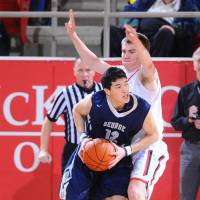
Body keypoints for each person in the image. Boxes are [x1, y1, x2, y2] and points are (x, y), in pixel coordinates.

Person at [65, 9, 169, 200]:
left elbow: (149, 66)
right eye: (123, 51)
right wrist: (73, 36)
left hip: (148, 145)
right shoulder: (118, 73)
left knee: (135, 192)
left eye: (132, 51)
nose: (126, 55)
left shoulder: (146, 78)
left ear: (142, 52)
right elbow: (93, 61)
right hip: (123, 147)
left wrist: (138, 41)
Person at [60, 67, 159, 200]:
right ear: (107, 91)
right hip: (89, 153)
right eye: (118, 86)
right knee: (71, 197)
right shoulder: (96, 100)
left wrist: (126, 151)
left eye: (126, 84)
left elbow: (154, 135)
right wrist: (83, 137)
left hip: (117, 157)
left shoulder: (141, 107)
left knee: (118, 198)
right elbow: (77, 110)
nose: (125, 90)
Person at [38, 58, 102, 173]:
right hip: (74, 149)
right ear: (74, 71)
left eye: (88, 70)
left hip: (100, 149)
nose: (84, 74)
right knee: (69, 189)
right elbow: (49, 120)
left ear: (94, 71)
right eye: (80, 70)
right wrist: (43, 149)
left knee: (100, 189)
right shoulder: (65, 94)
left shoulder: (103, 91)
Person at [104, 0, 197, 57]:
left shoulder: (188, 3)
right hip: (140, 34)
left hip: (163, 36)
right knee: (110, 31)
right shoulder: (145, 1)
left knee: (165, 33)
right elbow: (129, 11)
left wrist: (174, 29)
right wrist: (133, 25)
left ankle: (156, 72)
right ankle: (115, 72)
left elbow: (194, 24)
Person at [170, 47, 200, 200]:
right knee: (186, 197)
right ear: (194, 64)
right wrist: (189, 120)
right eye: (199, 61)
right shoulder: (186, 91)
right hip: (191, 149)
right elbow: (175, 122)